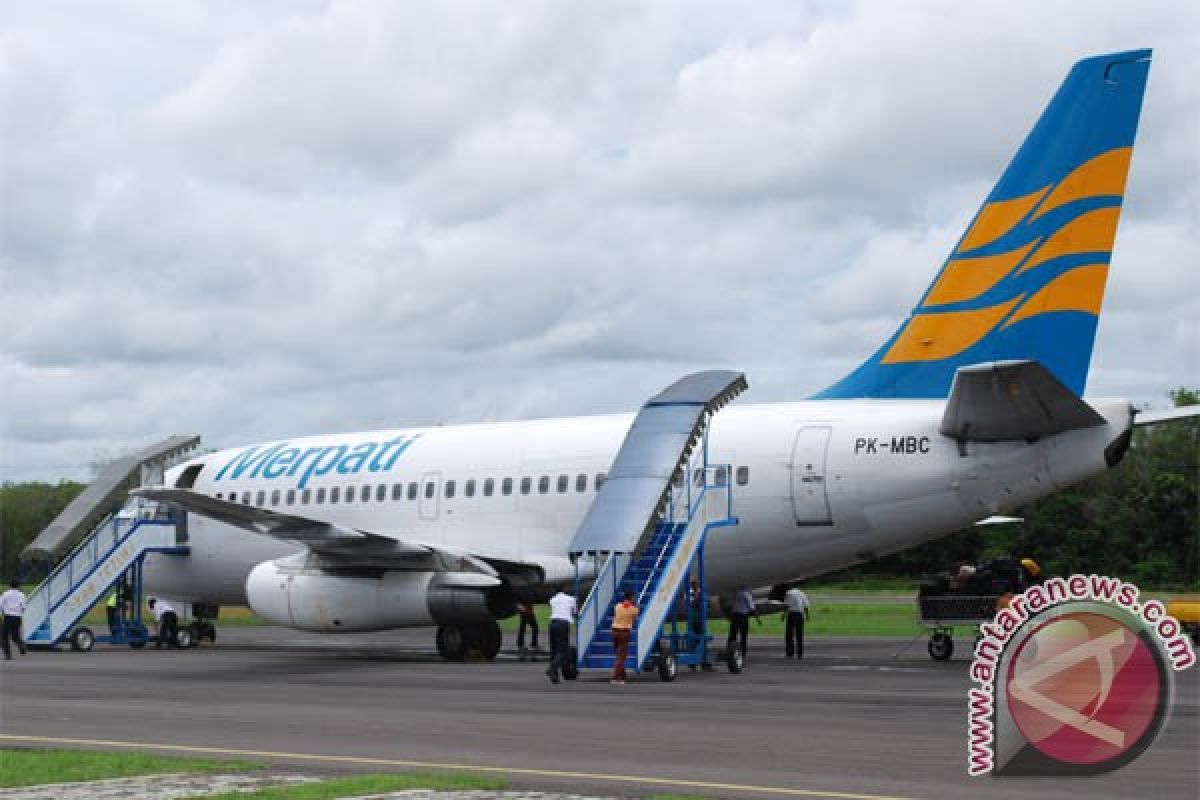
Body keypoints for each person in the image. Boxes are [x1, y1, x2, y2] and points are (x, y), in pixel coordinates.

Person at [545, 589, 576, 684]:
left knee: (553, 650)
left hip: (552, 623)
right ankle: (552, 668)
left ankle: (554, 676)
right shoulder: (571, 599)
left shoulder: (552, 599)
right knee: (563, 650)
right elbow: (574, 612)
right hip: (563, 624)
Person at [610, 591, 638, 684]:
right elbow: (635, 616)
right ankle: (616, 678)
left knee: (618, 654)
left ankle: (622, 675)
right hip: (624, 632)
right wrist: (635, 605)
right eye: (634, 598)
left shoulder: (617, 606)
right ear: (631, 598)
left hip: (614, 631)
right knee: (621, 656)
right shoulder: (633, 609)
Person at [727, 585, 759, 661]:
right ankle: (742, 653)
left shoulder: (736, 594)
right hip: (743, 617)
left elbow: (731, 605)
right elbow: (752, 607)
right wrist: (757, 617)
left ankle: (729, 650)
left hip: (735, 616)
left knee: (732, 634)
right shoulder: (747, 594)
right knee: (743, 635)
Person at [1, 579, 28, 660]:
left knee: (4, 637)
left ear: (10, 585)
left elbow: (0, 604)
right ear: (18, 586)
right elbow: (24, 607)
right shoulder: (22, 595)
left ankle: (8, 655)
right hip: (17, 617)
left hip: (8, 617)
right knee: (15, 636)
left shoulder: (5, 594)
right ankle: (21, 645)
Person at [783, 583, 811, 659]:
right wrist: (807, 616)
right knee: (799, 635)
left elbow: (786, 605)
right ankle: (800, 654)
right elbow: (806, 605)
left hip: (792, 614)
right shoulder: (802, 593)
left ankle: (790, 653)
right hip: (800, 615)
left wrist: (784, 615)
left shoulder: (788, 593)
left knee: (789, 635)